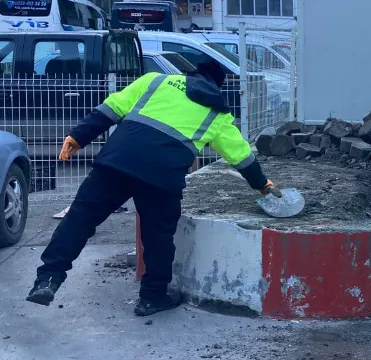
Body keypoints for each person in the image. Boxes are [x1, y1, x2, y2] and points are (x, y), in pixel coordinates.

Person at [25, 62, 276, 316]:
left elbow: (110, 108)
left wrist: (78, 137)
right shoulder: (217, 114)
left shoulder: (155, 81)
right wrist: (262, 185)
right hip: (162, 178)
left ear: (191, 75)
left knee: (79, 219)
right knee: (158, 237)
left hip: (116, 162)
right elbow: (241, 156)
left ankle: (47, 278)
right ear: (217, 86)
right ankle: (151, 298)